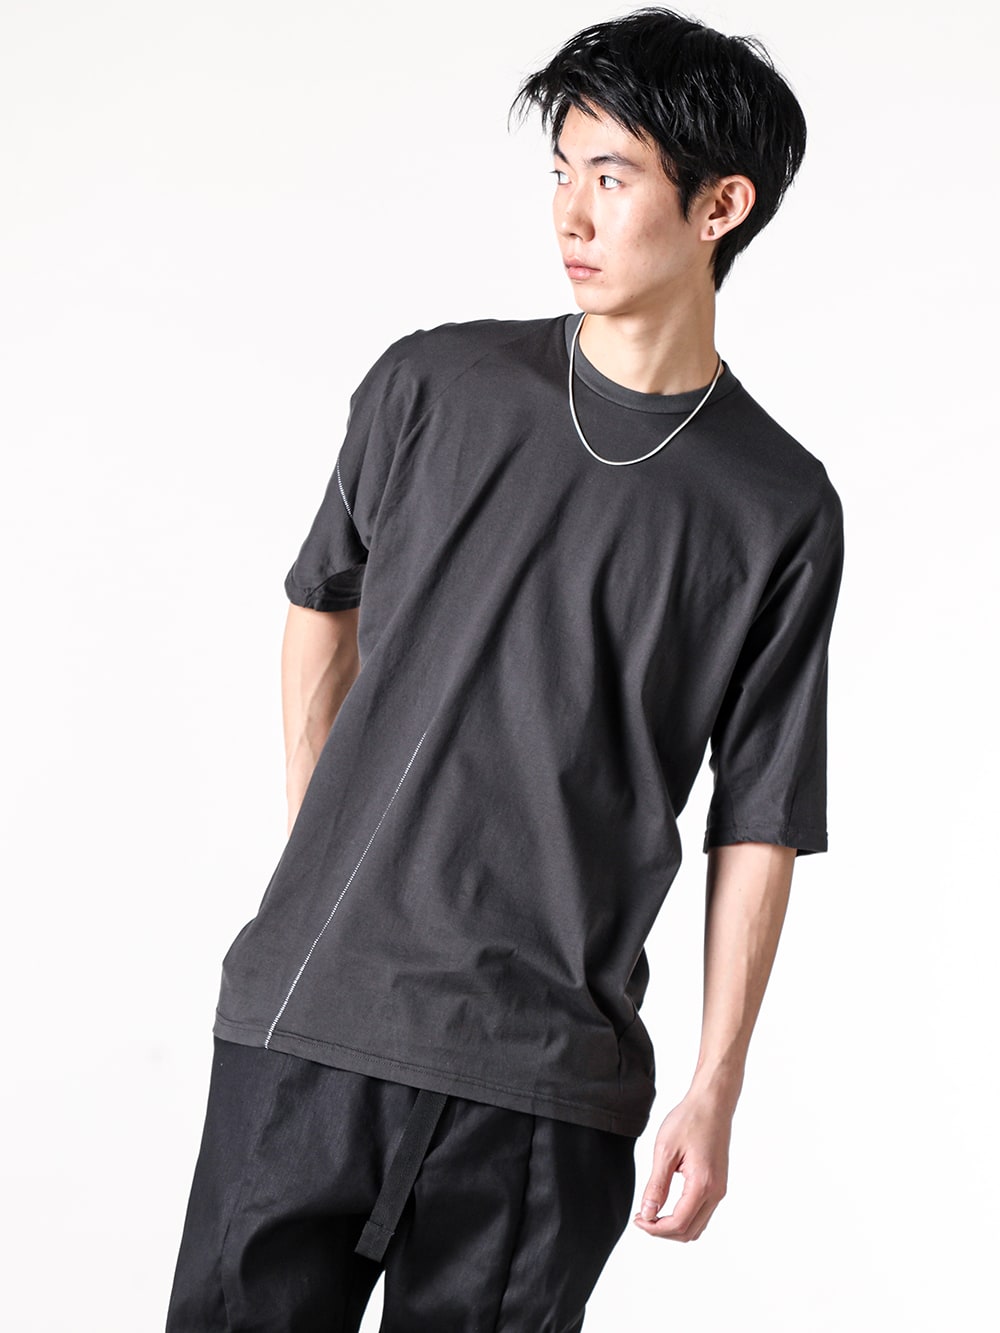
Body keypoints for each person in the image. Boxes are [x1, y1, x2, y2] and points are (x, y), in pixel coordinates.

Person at [165, 7, 845, 1329]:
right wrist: (323, 847)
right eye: (561, 171)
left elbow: (761, 815)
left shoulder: (778, 504)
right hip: (309, 1025)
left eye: (614, 177)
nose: (570, 215)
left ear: (721, 206)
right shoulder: (432, 385)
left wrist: (716, 1083)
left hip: (546, 1083)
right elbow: (320, 603)